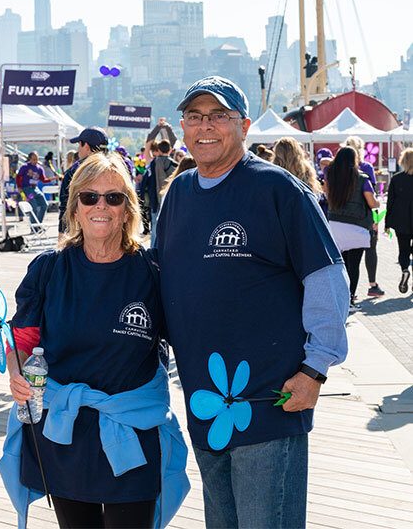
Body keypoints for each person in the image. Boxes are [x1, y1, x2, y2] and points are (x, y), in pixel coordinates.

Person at [155, 76, 349, 529]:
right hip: (205, 405)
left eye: (218, 116)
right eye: (195, 117)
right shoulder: (178, 196)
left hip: (270, 401)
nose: (206, 127)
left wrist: (315, 368)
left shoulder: (277, 189)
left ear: (243, 125)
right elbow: (159, 281)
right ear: (182, 127)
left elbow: (328, 280)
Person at [0, 152, 189, 529]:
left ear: (127, 209)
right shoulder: (49, 270)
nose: (101, 206)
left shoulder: (153, 272)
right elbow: (22, 338)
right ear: (75, 207)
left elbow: (192, 335)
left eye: (113, 197)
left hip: (132, 432)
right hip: (64, 434)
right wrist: (17, 373)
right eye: (90, 197)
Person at [325, 146, 379, 311]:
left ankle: (339, 298)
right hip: (357, 227)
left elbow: (326, 195)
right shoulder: (362, 179)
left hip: (334, 225)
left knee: (340, 265)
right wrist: (378, 203)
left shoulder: (330, 177)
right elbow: (372, 203)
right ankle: (349, 300)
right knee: (353, 265)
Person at [342, 136, 384, 297]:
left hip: (340, 218)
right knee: (369, 249)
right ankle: (372, 284)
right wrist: (375, 219)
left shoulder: (338, 169)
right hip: (363, 218)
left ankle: (345, 292)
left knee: (345, 258)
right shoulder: (366, 167)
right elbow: (371, 194)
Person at [58, 127, 108, 234]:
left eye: (79, 145)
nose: (78, 149)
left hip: (81, 233)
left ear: (86, 145)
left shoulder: (76, 171)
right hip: (109, 231)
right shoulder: (117, 170)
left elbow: (65, 206)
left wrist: (62, 235)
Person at [385, 147, 413, 293]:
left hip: (401, 220)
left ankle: (404, 269)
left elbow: (390, 202)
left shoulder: (396, 179)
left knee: (403, 250)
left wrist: (387, 223)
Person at [140, 140, 177, 245]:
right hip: (170, 201)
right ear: (170, 150)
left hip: (155, 200)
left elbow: (148, 144)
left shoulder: (153, 162)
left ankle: (153, 251)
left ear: (158, 150)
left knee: (155, 228)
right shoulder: (175, 164)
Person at [16, 152, 57, 223]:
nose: (35, 161)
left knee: (44, 205)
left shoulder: (40, 168)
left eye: (37, 159)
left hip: (35, 189)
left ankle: (38, 223)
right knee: (33, 205)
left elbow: (43, 180)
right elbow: (18, 177)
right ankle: (34, 226)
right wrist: (19, 187)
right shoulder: (25, 167)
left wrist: (53, 178)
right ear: (30, 159)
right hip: (27, 189)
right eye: (33, 159)